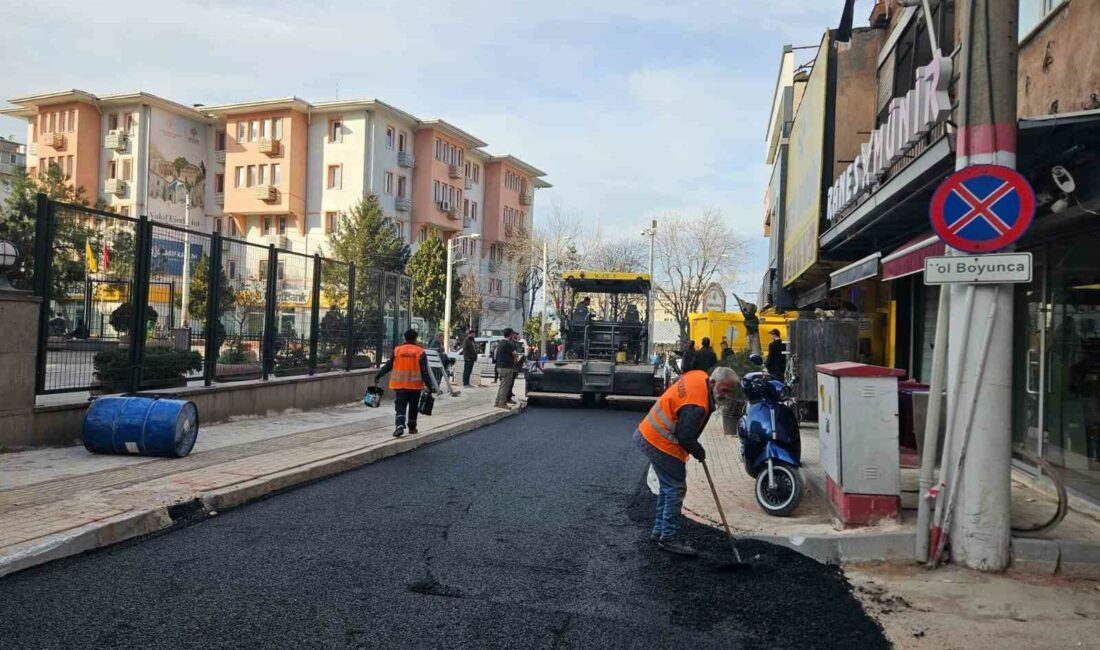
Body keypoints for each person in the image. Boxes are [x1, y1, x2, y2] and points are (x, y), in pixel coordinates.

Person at [634, 366, 739, 556]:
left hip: (649, 433)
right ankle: (669, 538)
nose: (726, 395)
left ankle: (660, 531)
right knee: (676, 488)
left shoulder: (699, 377)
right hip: (660, 440)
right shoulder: (697, 404)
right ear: (713, 383)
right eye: (724, 390)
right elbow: (686, 436)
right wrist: (699, 452)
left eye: (730, 392)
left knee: (668, 487)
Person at [374, 329, 439, 438]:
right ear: (415, 338)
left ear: (405, 338)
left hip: (400, 385)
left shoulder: (397, 350)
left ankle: (399, 425)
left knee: (400, 405)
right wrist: (429, 386)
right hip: (415, 386)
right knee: (413, 406)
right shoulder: (420, 352)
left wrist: (379, 375)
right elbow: (424, 371)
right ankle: (412, 427)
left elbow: (389, 365)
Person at [494, 328, 518, 408]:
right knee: (505, 387)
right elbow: (515, 353)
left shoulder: (501, 343)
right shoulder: (508, 344)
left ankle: (497, 402)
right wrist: (515, 358)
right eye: (512, 334)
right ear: (510, 335)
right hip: (506, 367)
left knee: (502, 385)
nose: (513, 336)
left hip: (500, 366)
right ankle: (502, 403)